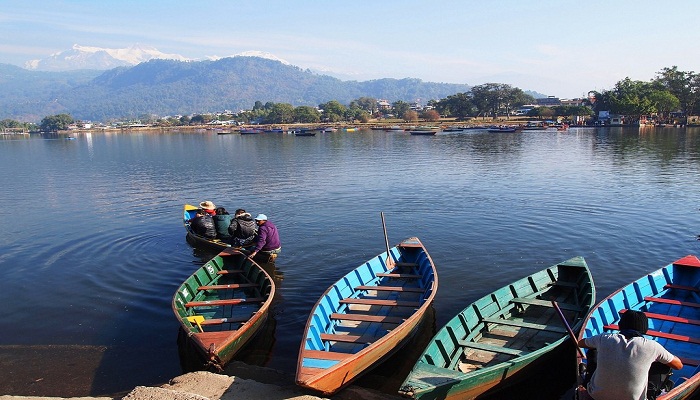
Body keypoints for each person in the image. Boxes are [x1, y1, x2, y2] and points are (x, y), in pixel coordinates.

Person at [577, 310, 683, 400]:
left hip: (597, 396)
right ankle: (651, 394)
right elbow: (678, 366)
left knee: (593, 350)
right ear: (645, 329)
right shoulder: (653, 346)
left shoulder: (604, 338)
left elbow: (581, 343)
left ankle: (587, 380)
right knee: (665, 365)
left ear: (620, 325)